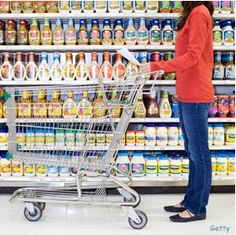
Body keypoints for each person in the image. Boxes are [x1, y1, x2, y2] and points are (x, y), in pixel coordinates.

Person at [141, 1, 214, 223]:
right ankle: (190, 199)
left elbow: (193, 56)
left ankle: (197, 207)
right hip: (185, 92)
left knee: (199, 153)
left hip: (196, 94)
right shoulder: (192, 13)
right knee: (192, 151)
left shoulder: (200, 13)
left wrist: (157, 66)